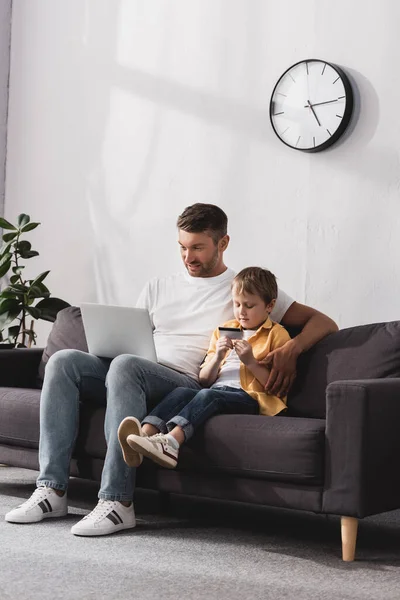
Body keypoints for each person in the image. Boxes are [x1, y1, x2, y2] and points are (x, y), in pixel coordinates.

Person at [5, 203, 337, 536]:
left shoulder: (241, 290)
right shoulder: (158, 287)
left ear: (222, 244)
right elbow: (130, 339)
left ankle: (117, 502)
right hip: (135, 368)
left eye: (197, 248)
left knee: (125, 366)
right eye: (182, 247)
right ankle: (51, 490)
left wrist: (292, 349)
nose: (188, 256)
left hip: (184, 381)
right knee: (64, 361)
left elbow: (323, 322)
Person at [117, 267, 291, 470]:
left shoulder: (277, 335)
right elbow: (205, 380)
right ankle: (143, 437)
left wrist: (250, 362)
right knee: (182, 392)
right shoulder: (224, 330)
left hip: (251, 398)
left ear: (270, 306)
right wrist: (217, 357)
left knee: (209, 396)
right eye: (236, 304)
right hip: (216, 389)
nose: (241, 311)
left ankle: (171, 444)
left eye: (249, 305)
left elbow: (275, 387)